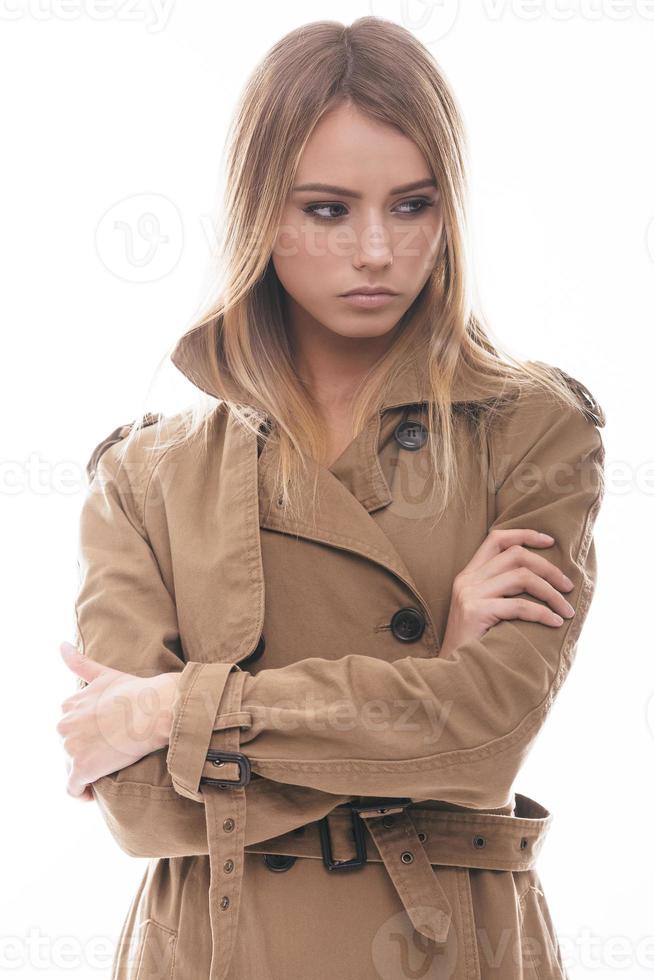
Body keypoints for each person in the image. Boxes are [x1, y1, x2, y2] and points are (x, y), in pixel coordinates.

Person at [57, 16, 606, 980]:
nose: (376, 251)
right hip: (216, 947)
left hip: (450, 949)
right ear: (258, 210)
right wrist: (429, 679)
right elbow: (142, 806)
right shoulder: (144, 477)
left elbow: (484, 742)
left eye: (412, 205)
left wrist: (166, 711)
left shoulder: (530, 430)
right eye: (325, 209)